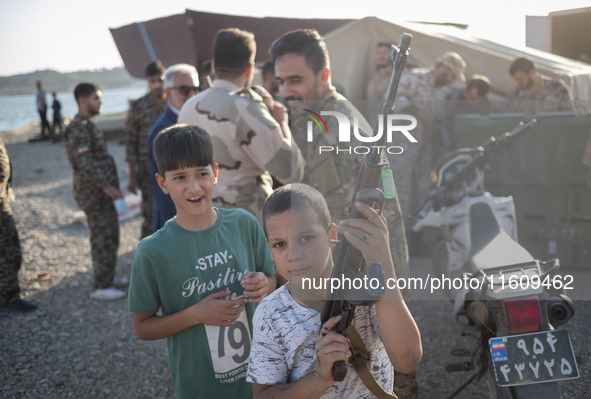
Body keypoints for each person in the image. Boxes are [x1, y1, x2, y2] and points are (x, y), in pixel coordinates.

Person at [271, 29, 416, 397]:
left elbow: (356, 222)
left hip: (356, 278)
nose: (286, 91)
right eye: (281, 81)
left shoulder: (338, 130)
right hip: (347, 272)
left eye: (296, 80)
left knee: (378, 373)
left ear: (324, 76)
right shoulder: (313, 116)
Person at [128, 125, 276, 399]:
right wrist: (195, 314)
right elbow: (142, 327)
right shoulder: (152, 252)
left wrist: (265, 284)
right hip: (200, 385)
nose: (194, 187)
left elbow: (274, 278)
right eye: (180, 177)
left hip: (261, 380)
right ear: (163, 183)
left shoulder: (244, 224)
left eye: (202, 174)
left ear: (216, 173)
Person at [247, 183, 422, 398]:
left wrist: (383, 264)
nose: (293, 255)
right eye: (280, 244)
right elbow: (263, 395)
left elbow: (408, 360)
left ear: (331, 234)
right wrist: (319, 380)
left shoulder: (366, 289)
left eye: (306, 238)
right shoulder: (270, 314)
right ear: (269, 247)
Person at [178, 28, 304, 223]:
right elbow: (290, 171)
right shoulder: (246, 109)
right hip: (247, 226)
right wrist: (281, 122)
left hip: (204, 220)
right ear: (249, 69)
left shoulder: (189, 107)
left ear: (214, 67)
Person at [63, 83, 126, 301]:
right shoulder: (79, 127)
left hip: (99, 192)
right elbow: (85, 162)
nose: (101, 102)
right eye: (96, 98)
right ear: (83, 101)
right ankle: (101, 285)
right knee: (103, 236)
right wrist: (105, 186)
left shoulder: (88, 124)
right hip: (93, 193)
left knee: (110, 234)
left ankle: (106, 276)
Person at [390, 51, 466, 225]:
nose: (452, 80)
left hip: (425, 145)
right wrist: (420, 113)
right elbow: (393, 99)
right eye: (452, 75)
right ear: (444, 68)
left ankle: (417, 227)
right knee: (401, 185)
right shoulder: (414, 80)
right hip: (403, 144)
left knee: (423, 186)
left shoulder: (442, 91)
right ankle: (399, 229)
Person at [147, 63, 200, 233]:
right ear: (167, 92)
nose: (192, 94)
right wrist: (180, 228)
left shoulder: (194, 120)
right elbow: (163, 188)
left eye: (196, 88)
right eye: (184, 90)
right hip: (178, 222)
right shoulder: (162, 130)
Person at [125, 60, 168, 239]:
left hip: (173, 167)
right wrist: (132, 175)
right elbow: (130, 141)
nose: (158, 85)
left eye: (161, 80)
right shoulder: (138, 106)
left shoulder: (174, 102)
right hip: (147, 171)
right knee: (150, 213)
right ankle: (147, 254)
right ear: (147, 82)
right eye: (153, 81)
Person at [0, 137, 38, 312]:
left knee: (11, 252)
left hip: (3, 201)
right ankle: (9, 297)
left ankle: (8, 295)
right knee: (9, 252)